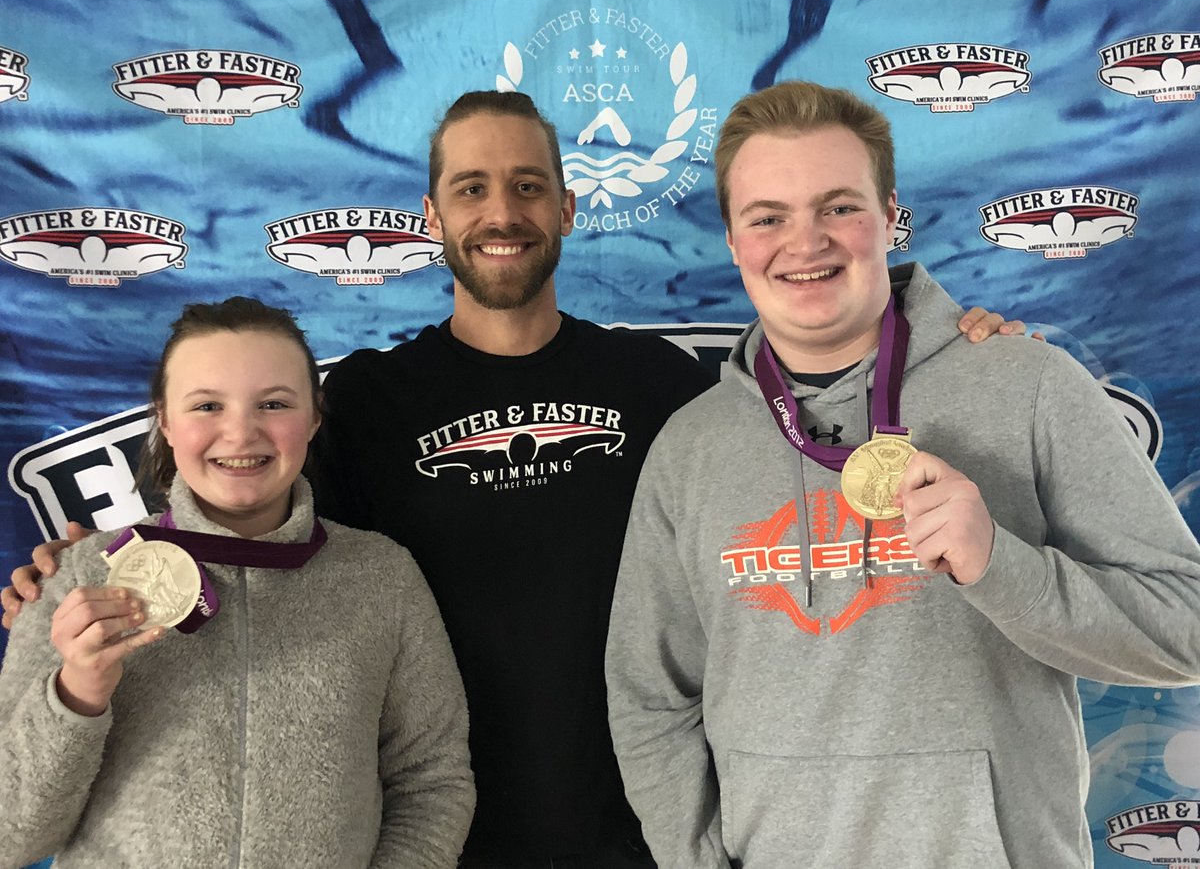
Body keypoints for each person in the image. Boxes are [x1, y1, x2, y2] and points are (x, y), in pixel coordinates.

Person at [1, 91, 1022, 867]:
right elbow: (255, 554)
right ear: (432, 212)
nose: (504, 211)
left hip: (651, 827)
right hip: (438, 837)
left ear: (569, 206)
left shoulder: (661, 383)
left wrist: (950, 337)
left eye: (529, 185)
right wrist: (88, 574)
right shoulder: (361, 403)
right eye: (473, 188)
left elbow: (821, 448)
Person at [604, 80, 1200, 868]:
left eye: (837, 207)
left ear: (889, 215)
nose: (805, 241)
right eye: (768, 217)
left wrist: (1000, 565)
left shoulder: (1026, 385)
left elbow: (1184, 629)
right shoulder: (691, 447)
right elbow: (650, 697)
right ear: (733, 240)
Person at [0, 297, 473, 868]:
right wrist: (77, 693)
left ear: (314, 418)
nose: (240, 432)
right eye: (206, 405)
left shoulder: (382, 578)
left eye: (273, 403)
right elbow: (13, 837)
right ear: (166, 422)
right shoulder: (79, 575)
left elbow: (431, 783)